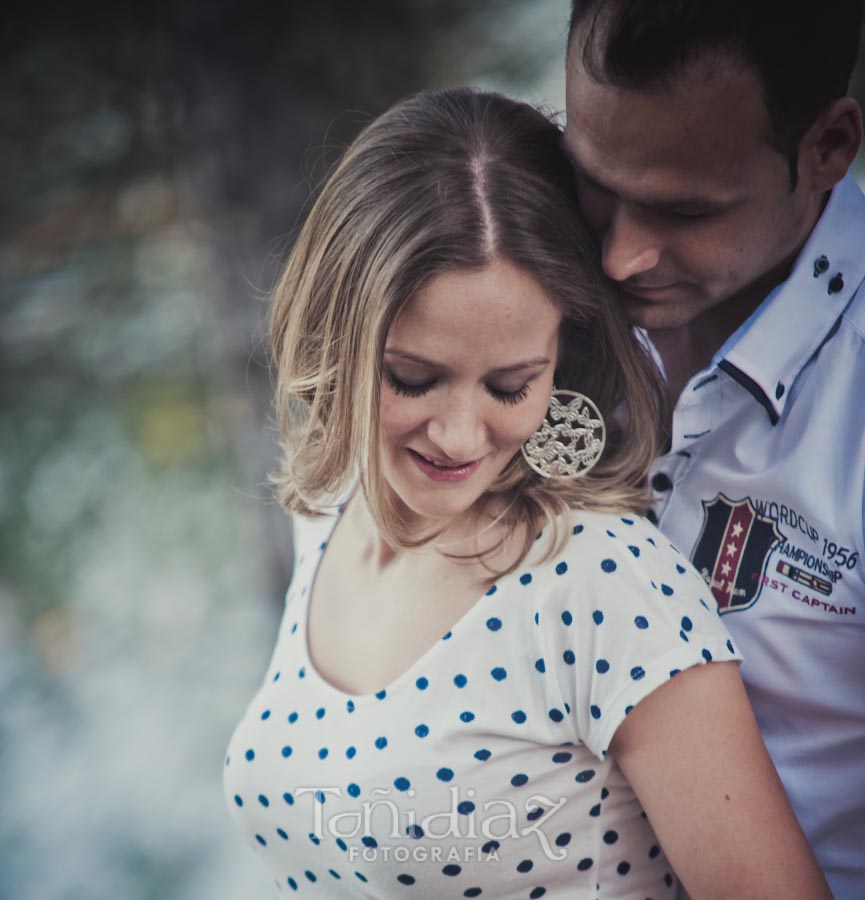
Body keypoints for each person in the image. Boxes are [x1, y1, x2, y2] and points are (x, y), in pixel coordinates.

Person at [223, 88, 830, 899]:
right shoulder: (328, 509)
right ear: (338, 330)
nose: (459, 437)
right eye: (412, 378)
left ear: (561, 357)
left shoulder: (607, 582)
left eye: (509, 388)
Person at [563, 2, 865, 897]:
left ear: (828, 146)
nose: (618, 257)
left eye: (683, 210)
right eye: (594, 182)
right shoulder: (523, 269)